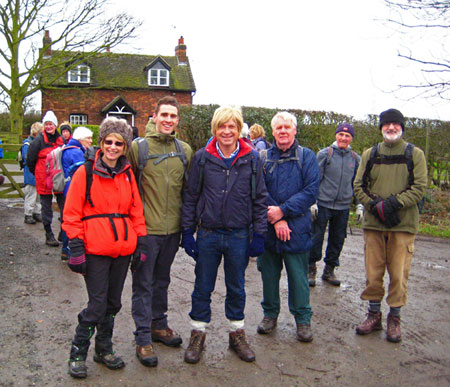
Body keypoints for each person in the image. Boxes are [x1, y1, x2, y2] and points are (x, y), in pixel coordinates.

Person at [180, 105, 267, 364]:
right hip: (208, 234)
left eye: (232, 126)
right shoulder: (202, 158)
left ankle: (236, 333)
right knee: (202, 287)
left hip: (239, 235)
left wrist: (259, 234)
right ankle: (198, 333)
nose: (227, 131)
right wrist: (187, 230)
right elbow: (191, 196)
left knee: (236, 287)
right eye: (222, 126)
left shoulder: (252, 158)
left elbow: (260, 199)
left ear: (239, 129)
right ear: (214, 129)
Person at [62, 117, 147, 379]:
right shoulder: (84, 173)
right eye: (108, 141)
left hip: (122, 250)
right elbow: (71, 212)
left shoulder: (128, 174)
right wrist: (75, 247)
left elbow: (136, 210)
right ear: (101, 143)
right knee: (97, 305)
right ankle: (78, 352)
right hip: (95, 250)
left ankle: (104, 348)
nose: (112, 147)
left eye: (118, 143)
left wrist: (140, 241)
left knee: (112, 304)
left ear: (124, 146)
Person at [128, 96, 193, 367]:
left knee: (162, 280)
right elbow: (128, 188)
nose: (168, 120)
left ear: (178, 120)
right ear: (154, 117)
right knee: (143, 283)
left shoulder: (184, 150)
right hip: (146, 231)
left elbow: (188, 191)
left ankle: (159, 324)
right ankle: (143, 338)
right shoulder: (138, 148)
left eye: (173, 116)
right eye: (163, 115)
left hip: (172, 231)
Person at [353, 108, 427, 343]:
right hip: (374, 225)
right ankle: (374, 314)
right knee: (373, 273)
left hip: (402, 226)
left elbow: (419, 187)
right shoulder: (370, 153)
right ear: (381, 128)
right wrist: (375, 205)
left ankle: (394, 318)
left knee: (398, 274)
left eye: (395, 124)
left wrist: (394, 204)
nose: (391, 128)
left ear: (402, 127)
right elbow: (358, 185)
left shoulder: (415, 154)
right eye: (387, 125)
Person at [256, 111, 320, 343]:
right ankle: (269, 315)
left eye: (287, 127)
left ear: (294, 130)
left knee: (298, 277)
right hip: (269, 228)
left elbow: (311, 191)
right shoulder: (261, 157)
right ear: (272, 132)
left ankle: (303, 320)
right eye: (278, 128)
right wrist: (276, 217)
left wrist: (283, 211)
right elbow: (258, 191)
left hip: (298, 229)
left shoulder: (307, 157)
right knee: (269, 276)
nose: (283, 131)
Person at [308, 123, 363, 287]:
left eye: (347, 136)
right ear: (336, 136)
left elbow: (357, 184)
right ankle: (311, 269)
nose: (343, 138)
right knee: (316, 237)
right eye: (341, 135)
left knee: (338, 239)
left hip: (343, 206)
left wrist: (359, 205)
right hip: (323, 204)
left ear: (351, 138)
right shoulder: (325, 154)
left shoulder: (355, 158)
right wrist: (313, 201)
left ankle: (329, 270)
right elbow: (314, 179)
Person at [26, 110, 65, 247]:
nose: (49, 126)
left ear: (55, 125)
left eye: (51, 124)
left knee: (64, 206)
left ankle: (63, 232)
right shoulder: (38, 141)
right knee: (46, 208)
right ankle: (49, 234)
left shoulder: (61, 140)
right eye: (46, 124)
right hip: (44, 179)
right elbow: (30, 159)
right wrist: (38, 173)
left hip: (59, 178)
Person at [59, 126, 93, 260]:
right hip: (73, 190)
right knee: (73, 221)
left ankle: (66, 249)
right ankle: (69, 251)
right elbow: (83, 173)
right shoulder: (76, 152)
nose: (90, 141)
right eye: (88, 138)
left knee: (67, 219)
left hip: (68, 188)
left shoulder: (69, 149)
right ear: (80, 139)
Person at [22, 122, 44, 224]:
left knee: (39, 196)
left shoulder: (38, 143)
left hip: (39, 174)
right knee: (31, 195)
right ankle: (28, 214)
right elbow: (27, 159)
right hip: (31, 174)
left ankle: (37, 213)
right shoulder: (27, 144)